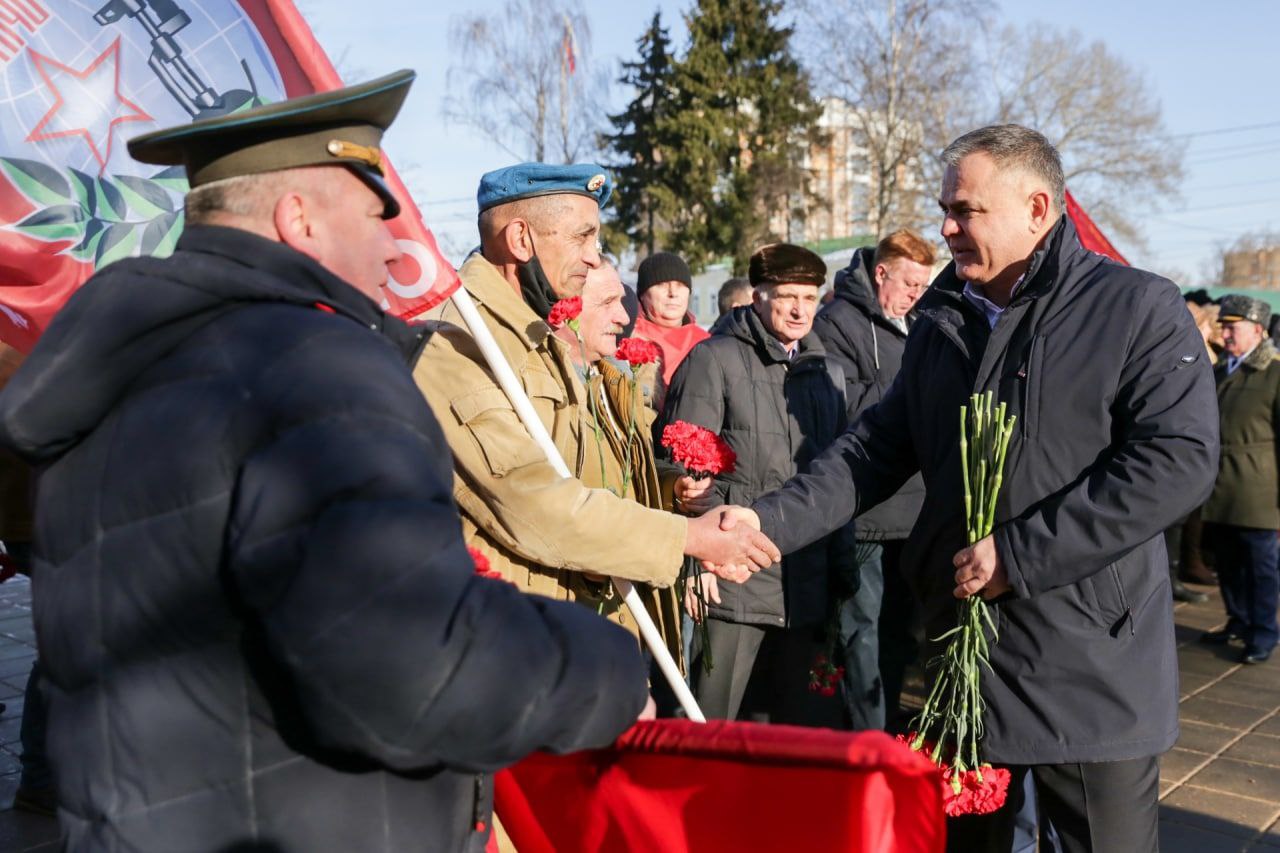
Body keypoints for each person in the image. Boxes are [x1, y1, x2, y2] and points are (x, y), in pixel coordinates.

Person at [0, 72, 656, 852]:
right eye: (375, 213)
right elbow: (407, 656)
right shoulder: (313, 368)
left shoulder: (117, 366)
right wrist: (604, 669)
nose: (397, 242)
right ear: (298, 218)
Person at [721, 125, 1219, 852]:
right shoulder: (943, 321)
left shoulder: (1134, 307)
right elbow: (872, 451)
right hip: (967, 665)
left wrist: (1018, 555)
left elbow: (1177, 459)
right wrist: (762, 527)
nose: (946, 227)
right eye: (945, 208)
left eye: (965, 210)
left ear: (1037, 207)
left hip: (1092, 660)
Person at [412, 164, 778, 642]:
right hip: (507, 638)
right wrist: (686, 538)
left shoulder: (532, 332)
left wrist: (667, 489)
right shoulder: (456, 339)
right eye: (582, 238)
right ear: (521, 239)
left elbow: (587, 472)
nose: (594, 259)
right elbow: (532, 501)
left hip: (572, 623)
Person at [659, 243, 852, 727]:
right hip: (731, 584)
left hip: (804, 584)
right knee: (713, 727)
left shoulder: (825, 370)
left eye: (810, 298)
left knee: (794, 740)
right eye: (787, 296)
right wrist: (696, 563)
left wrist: (840, 570)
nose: (799, 309)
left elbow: (838, 471)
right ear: (758, 296)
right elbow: (682, 463)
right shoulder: (715, 360)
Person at [813, 228, 935, 730]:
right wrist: (914, 391)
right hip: (864, 510)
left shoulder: (921, 322)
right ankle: (867, 735)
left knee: (904, 632)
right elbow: (841, 405)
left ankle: (890, 725)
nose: (916, 295)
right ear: (880, 272)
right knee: (860, 632)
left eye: (924, 286)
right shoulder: (837, 322)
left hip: (916, 508)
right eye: (909, 283)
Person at [550, 261, 684, 662]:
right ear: (568, 308)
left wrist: (672, 486)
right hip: (572, 607)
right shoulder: (545, 385)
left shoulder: (613, 381)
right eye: (608, 302)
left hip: (625, 594)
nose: (625, 317)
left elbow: (630, 470)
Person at [1199, 295, 1280, 664]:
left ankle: (1263, 633)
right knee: (1227, 561)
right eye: (1224, 326)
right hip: (1218, 485)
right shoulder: (1218, 372)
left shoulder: (1274, 373)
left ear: (1258, 331)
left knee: (1260, 566)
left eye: (1234, 326)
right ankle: (1238, 620)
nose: (1225, 333)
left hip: (1258, 488)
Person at [633, 250, 710, 406]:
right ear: (642, 294)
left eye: (680, 285)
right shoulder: (629, 341)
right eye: (661, 285)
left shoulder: (707, 342)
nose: (673, 293)